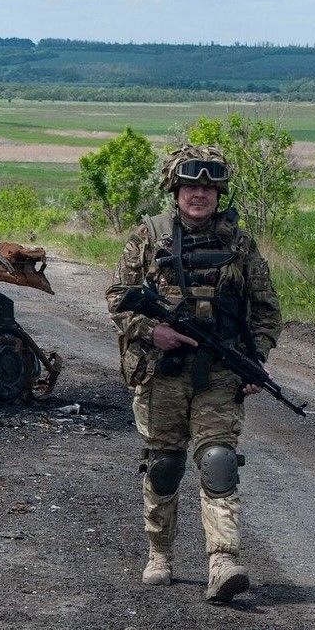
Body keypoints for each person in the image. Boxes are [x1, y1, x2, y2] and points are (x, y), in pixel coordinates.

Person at [105, 143, 283, 603]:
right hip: (161, 371)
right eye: (190, 186)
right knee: (164, 465)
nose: (199, 194)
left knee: (218, 460)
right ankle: (159, 552)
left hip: (220, 373)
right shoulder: (148, 238)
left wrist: (255, 359)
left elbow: (266, 312)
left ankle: (222, 561)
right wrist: (152, 330)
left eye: (208, 186)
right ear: (175, 189)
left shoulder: (240, 246)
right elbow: (116, 300)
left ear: (219, 193)